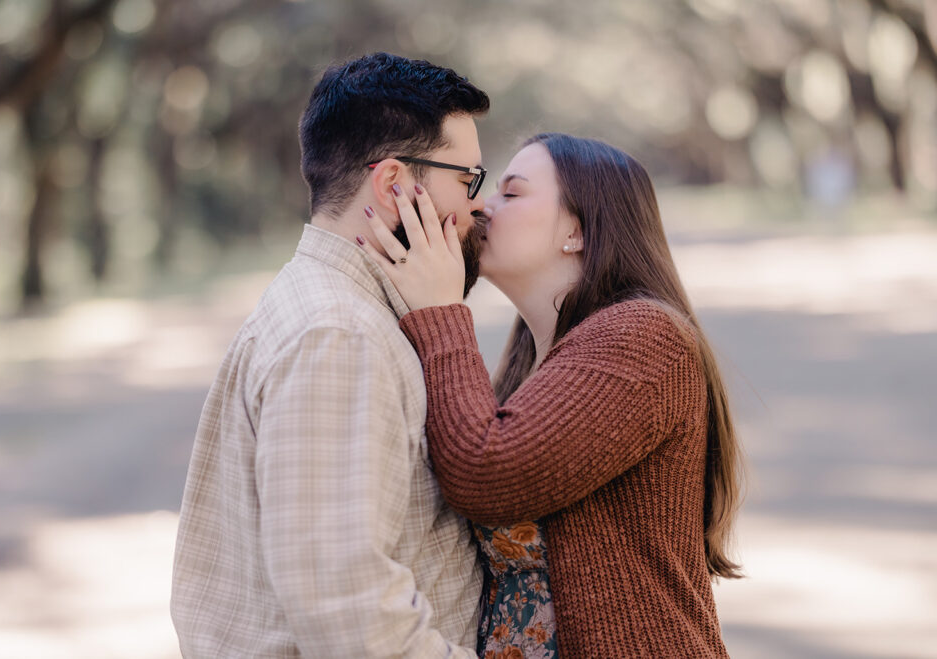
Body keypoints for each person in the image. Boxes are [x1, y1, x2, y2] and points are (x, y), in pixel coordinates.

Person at [361, 133, 744, 658]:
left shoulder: (645, 336)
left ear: (577, 231)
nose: (479, 206)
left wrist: (439, 313)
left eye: (511, 194)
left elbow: (486, 472)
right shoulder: (529, 360)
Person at [170, 52, 492, 657]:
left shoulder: (334, 311)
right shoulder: (340, 336)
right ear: (395, 185)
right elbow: (348, 614)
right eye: (467, 180)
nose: (479, 205)